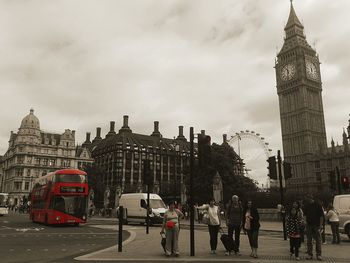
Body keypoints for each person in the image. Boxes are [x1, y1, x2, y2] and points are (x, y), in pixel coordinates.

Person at [304, 195, 324, 261]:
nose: (307, 200)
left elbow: (321, 216)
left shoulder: (318, 205)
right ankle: (310, 254)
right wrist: (305, 222)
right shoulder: (307, 205)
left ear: (311, 198)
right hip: (309, 225)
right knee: (309, 240)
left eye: (308, 199)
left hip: (316, 225)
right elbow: (305, 214)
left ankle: (319, 254)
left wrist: (320, 225)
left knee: (318, 240)